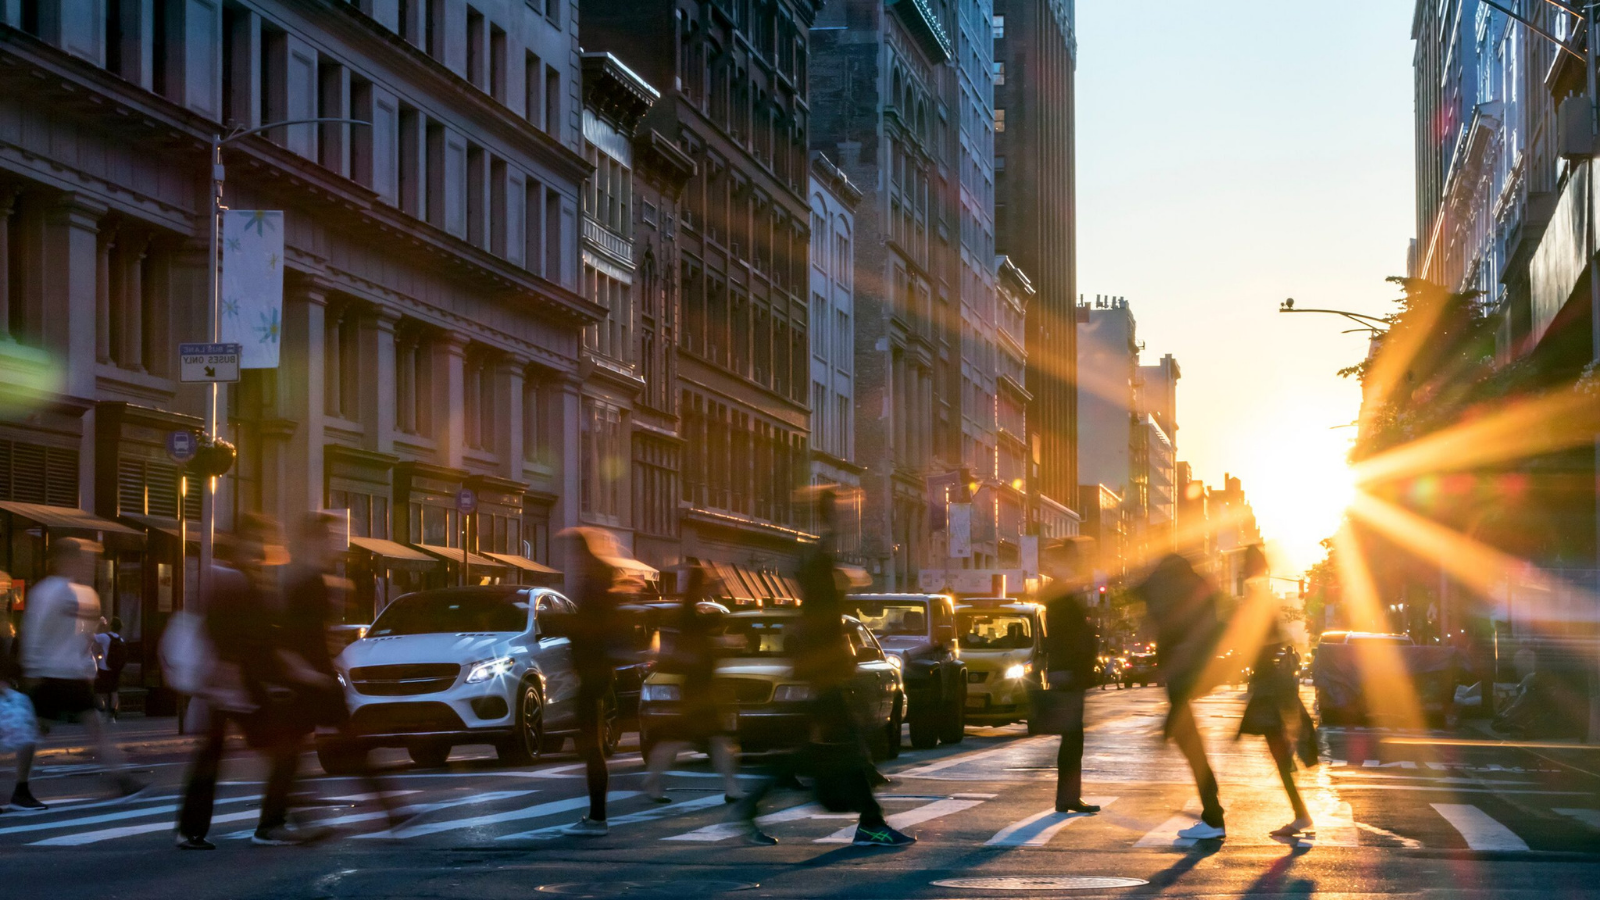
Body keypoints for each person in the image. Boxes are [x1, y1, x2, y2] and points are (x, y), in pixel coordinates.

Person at [731, 489, 914, 847]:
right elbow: (821, 621)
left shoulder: (816, 571)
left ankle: (752, 808)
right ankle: (870, 821)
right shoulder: (818, 573)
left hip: (822, 674)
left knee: (814, 749)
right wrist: (830, 519)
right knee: (836, 746)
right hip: (823, 676)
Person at [176, 514, 321, 849]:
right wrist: (272, 678)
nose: (264, 547)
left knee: (213, 756)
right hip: (238, 686)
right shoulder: (235, 579)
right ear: (243, 541)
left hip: (229, 686)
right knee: (284, 750)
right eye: (260, 539)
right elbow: (239, 636)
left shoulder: (239, 576)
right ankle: (272, 824)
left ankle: (192, 830)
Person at [282, 513, 401, 828]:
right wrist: (307, 672)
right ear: (313, 540)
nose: (336, 542)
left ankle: (389, 811)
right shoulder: (304, 583)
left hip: (317, 679)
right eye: (329, 536)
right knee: (299, 753)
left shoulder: (314, 580)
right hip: (311, 680)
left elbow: (319, 635)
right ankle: (390, 811)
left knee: (312, 751)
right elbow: (294, 637)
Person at [20, 538, 144, 802]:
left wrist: (88, 667)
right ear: (64, 559)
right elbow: (33, 630)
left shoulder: (87, 594)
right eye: (82, 559)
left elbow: (86, 637)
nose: (88, 565)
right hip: (49, 672)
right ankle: (21, 788)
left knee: (94, 726)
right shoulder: (47, 591)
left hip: (73, 674)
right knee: (33, 731)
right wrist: (31, 668)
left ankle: (121, 779)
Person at [1137, 551, 1226, 840]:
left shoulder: (1176, 597)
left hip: (1181, 677)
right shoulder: (1194, 589)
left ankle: (1213, 817)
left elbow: (1145, 597)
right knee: (1192, 745)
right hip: (1187, 676)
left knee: (1192, 747)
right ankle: (1212, 813)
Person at [1234, 546, 1314, 839]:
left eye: (1245, 565)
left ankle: (1301, 814)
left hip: (1270, 690)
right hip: (1271, 688)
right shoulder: (1260, 598)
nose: (1242, 569)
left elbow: (1260, 643)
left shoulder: (1257, 600)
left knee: (1281, 753)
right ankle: (1300, 813)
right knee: (1282, 754)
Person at [644, 564, 741, 804]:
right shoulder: (690, 612)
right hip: (698, 688)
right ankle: (730, 787)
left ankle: (730, 786)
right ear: (699, 586)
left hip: (699, 686)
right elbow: (703, 632)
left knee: (688, 737)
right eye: (704, 585)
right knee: (707, 737)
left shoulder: (690, 610)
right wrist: (725, 640)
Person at [557, 527, 628, 837]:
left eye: (573, 552)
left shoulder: (594, 588)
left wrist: (563, 624)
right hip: (597, 673)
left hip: (592, 673)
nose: (571, 559)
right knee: (592, 746)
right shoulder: (601, 584)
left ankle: (598, 817)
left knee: (592, 746)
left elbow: (588, 629)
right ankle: (597, 814)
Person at [1038, 539, 1100, 815]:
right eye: (1075, 557)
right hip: (1069, 672)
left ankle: (1069, 796)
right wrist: (1063, 668)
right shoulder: (1060, 591)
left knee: (1073, 736)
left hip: (1071, 671)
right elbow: (1063, 636)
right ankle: (1067, 797)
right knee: (1072, 735)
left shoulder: (1065, 589)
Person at [0, 577, 42, 812]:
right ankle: (21, 790)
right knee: (26, 733)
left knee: (26, 733)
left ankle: (21, 790)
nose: (6, 596)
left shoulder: (6, 623)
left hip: (8, 686)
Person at [92, 617, 128, 721]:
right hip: (116, 670)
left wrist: (99, 624)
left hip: (104, 668)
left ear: (111, 626)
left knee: (98, 691)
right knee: (114, 691)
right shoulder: (121, 640)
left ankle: (102, 711)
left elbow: (91, 636)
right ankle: (112, 716)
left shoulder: (105, 637)